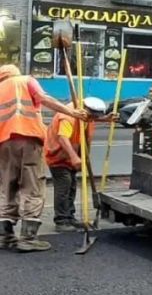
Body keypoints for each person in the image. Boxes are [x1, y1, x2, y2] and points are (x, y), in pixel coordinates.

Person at [0, 65, 88, 252]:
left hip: (4, 143)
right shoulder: (25, 80)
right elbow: (44, 99)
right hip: (28, 138)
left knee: (7, 187)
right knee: (32, 187)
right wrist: (71, 112)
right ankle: (28, 238)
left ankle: (4, 236)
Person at [44, 96, 107, 232]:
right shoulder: (68, 116)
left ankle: (69, 217)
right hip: (58, 156)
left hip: (72, 157)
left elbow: (91, 120)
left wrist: (108, 119)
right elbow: (63, 138)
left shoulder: (84, 114)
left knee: (72, 185)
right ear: (85, 110)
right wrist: (73, 156)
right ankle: (61, 220)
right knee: (64, 186)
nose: (92, 120)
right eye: (91, 116)